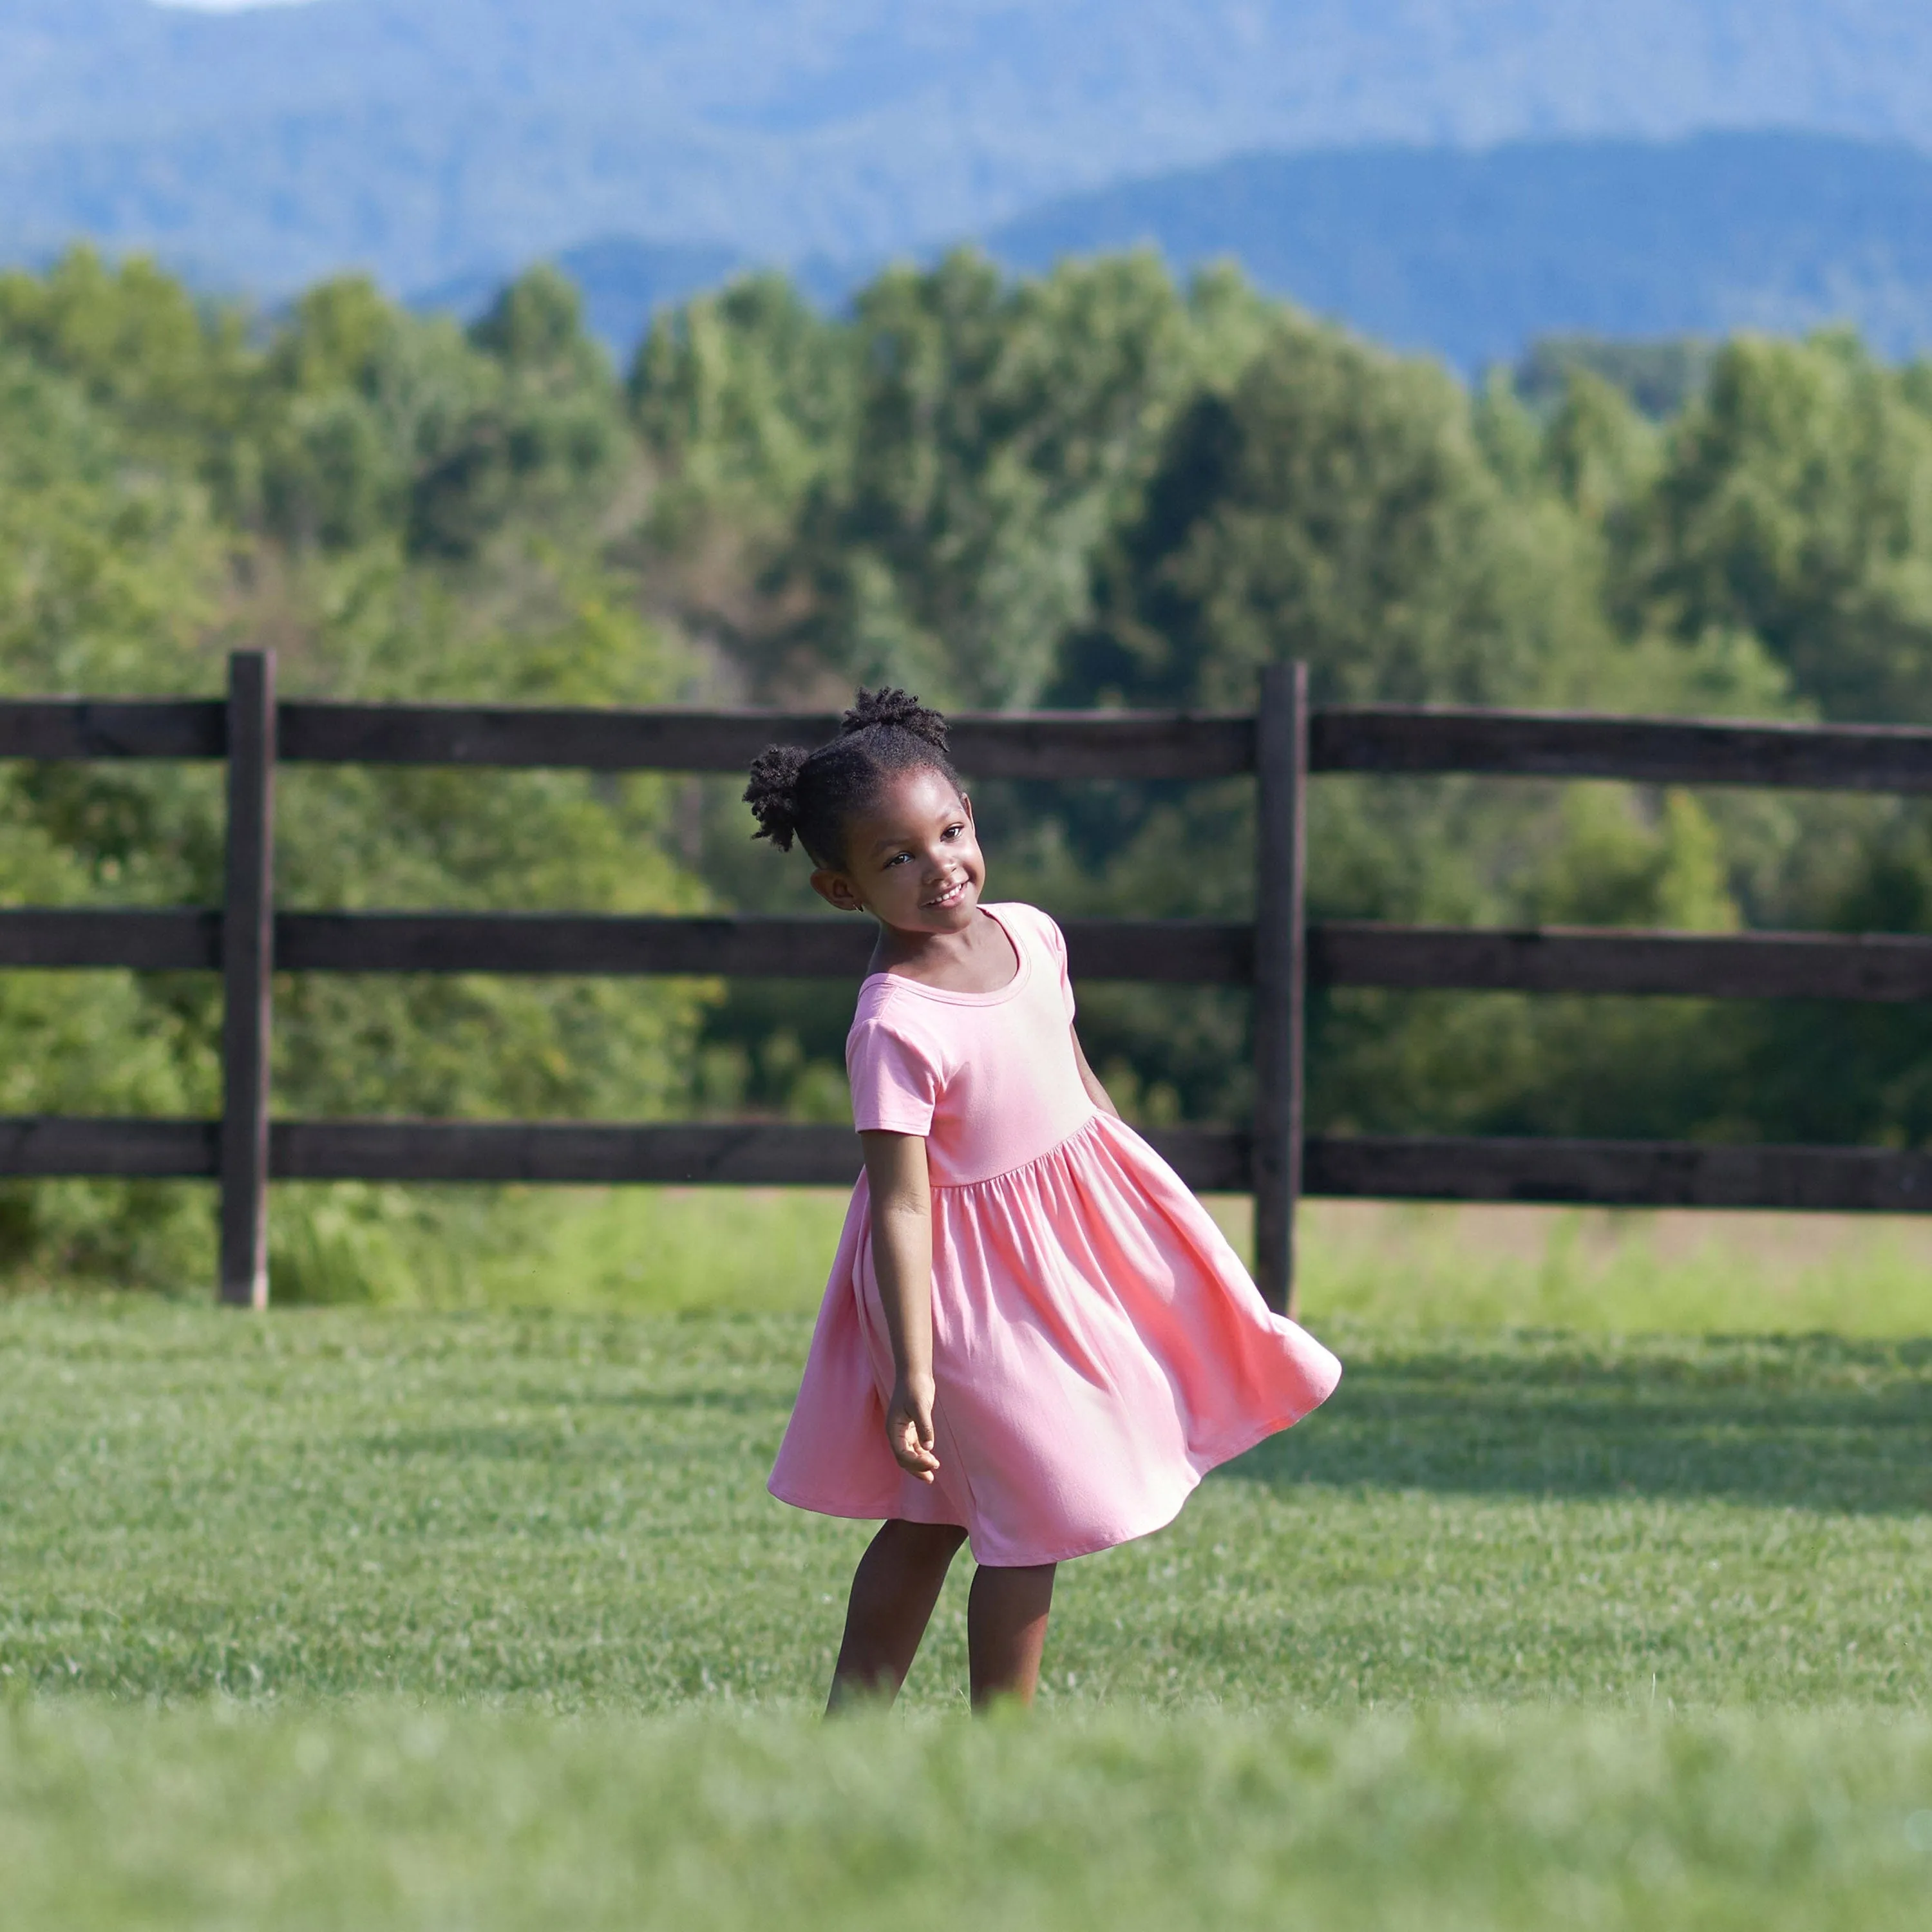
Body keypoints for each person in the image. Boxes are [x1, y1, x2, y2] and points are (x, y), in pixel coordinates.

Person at [745, 687, 1342, 1711]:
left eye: (950, 833)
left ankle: (854, 1731)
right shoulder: (894, 1026)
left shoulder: (1032, 936)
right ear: (842, 890)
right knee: (1033, 1510)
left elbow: (1077, 1089)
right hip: (959, 1301)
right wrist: (914, 1371)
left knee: (936, 1517)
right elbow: (900, 1207)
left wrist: (1143, 1213)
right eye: (897, 859)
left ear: (973, 816)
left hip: (1059, 1262)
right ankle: (993, 1746)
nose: (939, 866)